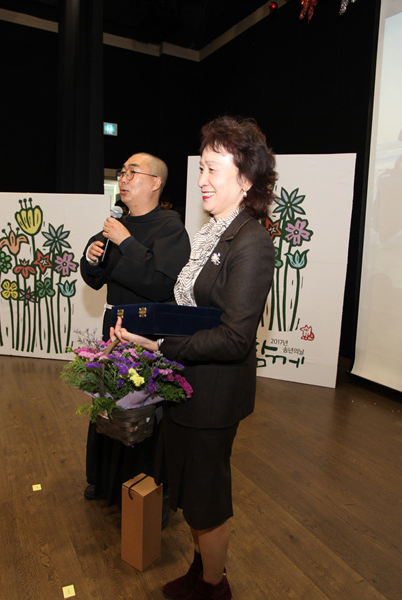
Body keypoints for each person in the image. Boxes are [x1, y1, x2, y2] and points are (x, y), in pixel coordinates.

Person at [111, 116, 276, 600]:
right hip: (187, 384)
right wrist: (146, 328)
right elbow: (189, 308)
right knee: (188, 488)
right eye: (200, 168)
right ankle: (200, 571)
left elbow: (234, 338)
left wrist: (159, 346)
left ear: (245, 179)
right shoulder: (214, 232)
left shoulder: (251, 242)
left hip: (214, 396)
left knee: (207, 499)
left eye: (213, 169)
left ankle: (214, 587)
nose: (202, 179)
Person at [79, 152, 190, 506]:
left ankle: (146, 489)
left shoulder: (171, 227)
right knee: (108, 399)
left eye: (133, 172)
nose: (123, 178)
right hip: (114, 326)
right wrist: (91, 261)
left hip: (147, 332)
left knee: (143, 407)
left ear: (156, 183)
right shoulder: (115, 224)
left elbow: (160, 283)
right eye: (122, 172)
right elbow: (96, 279)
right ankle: (105, 479)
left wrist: (126, 241)